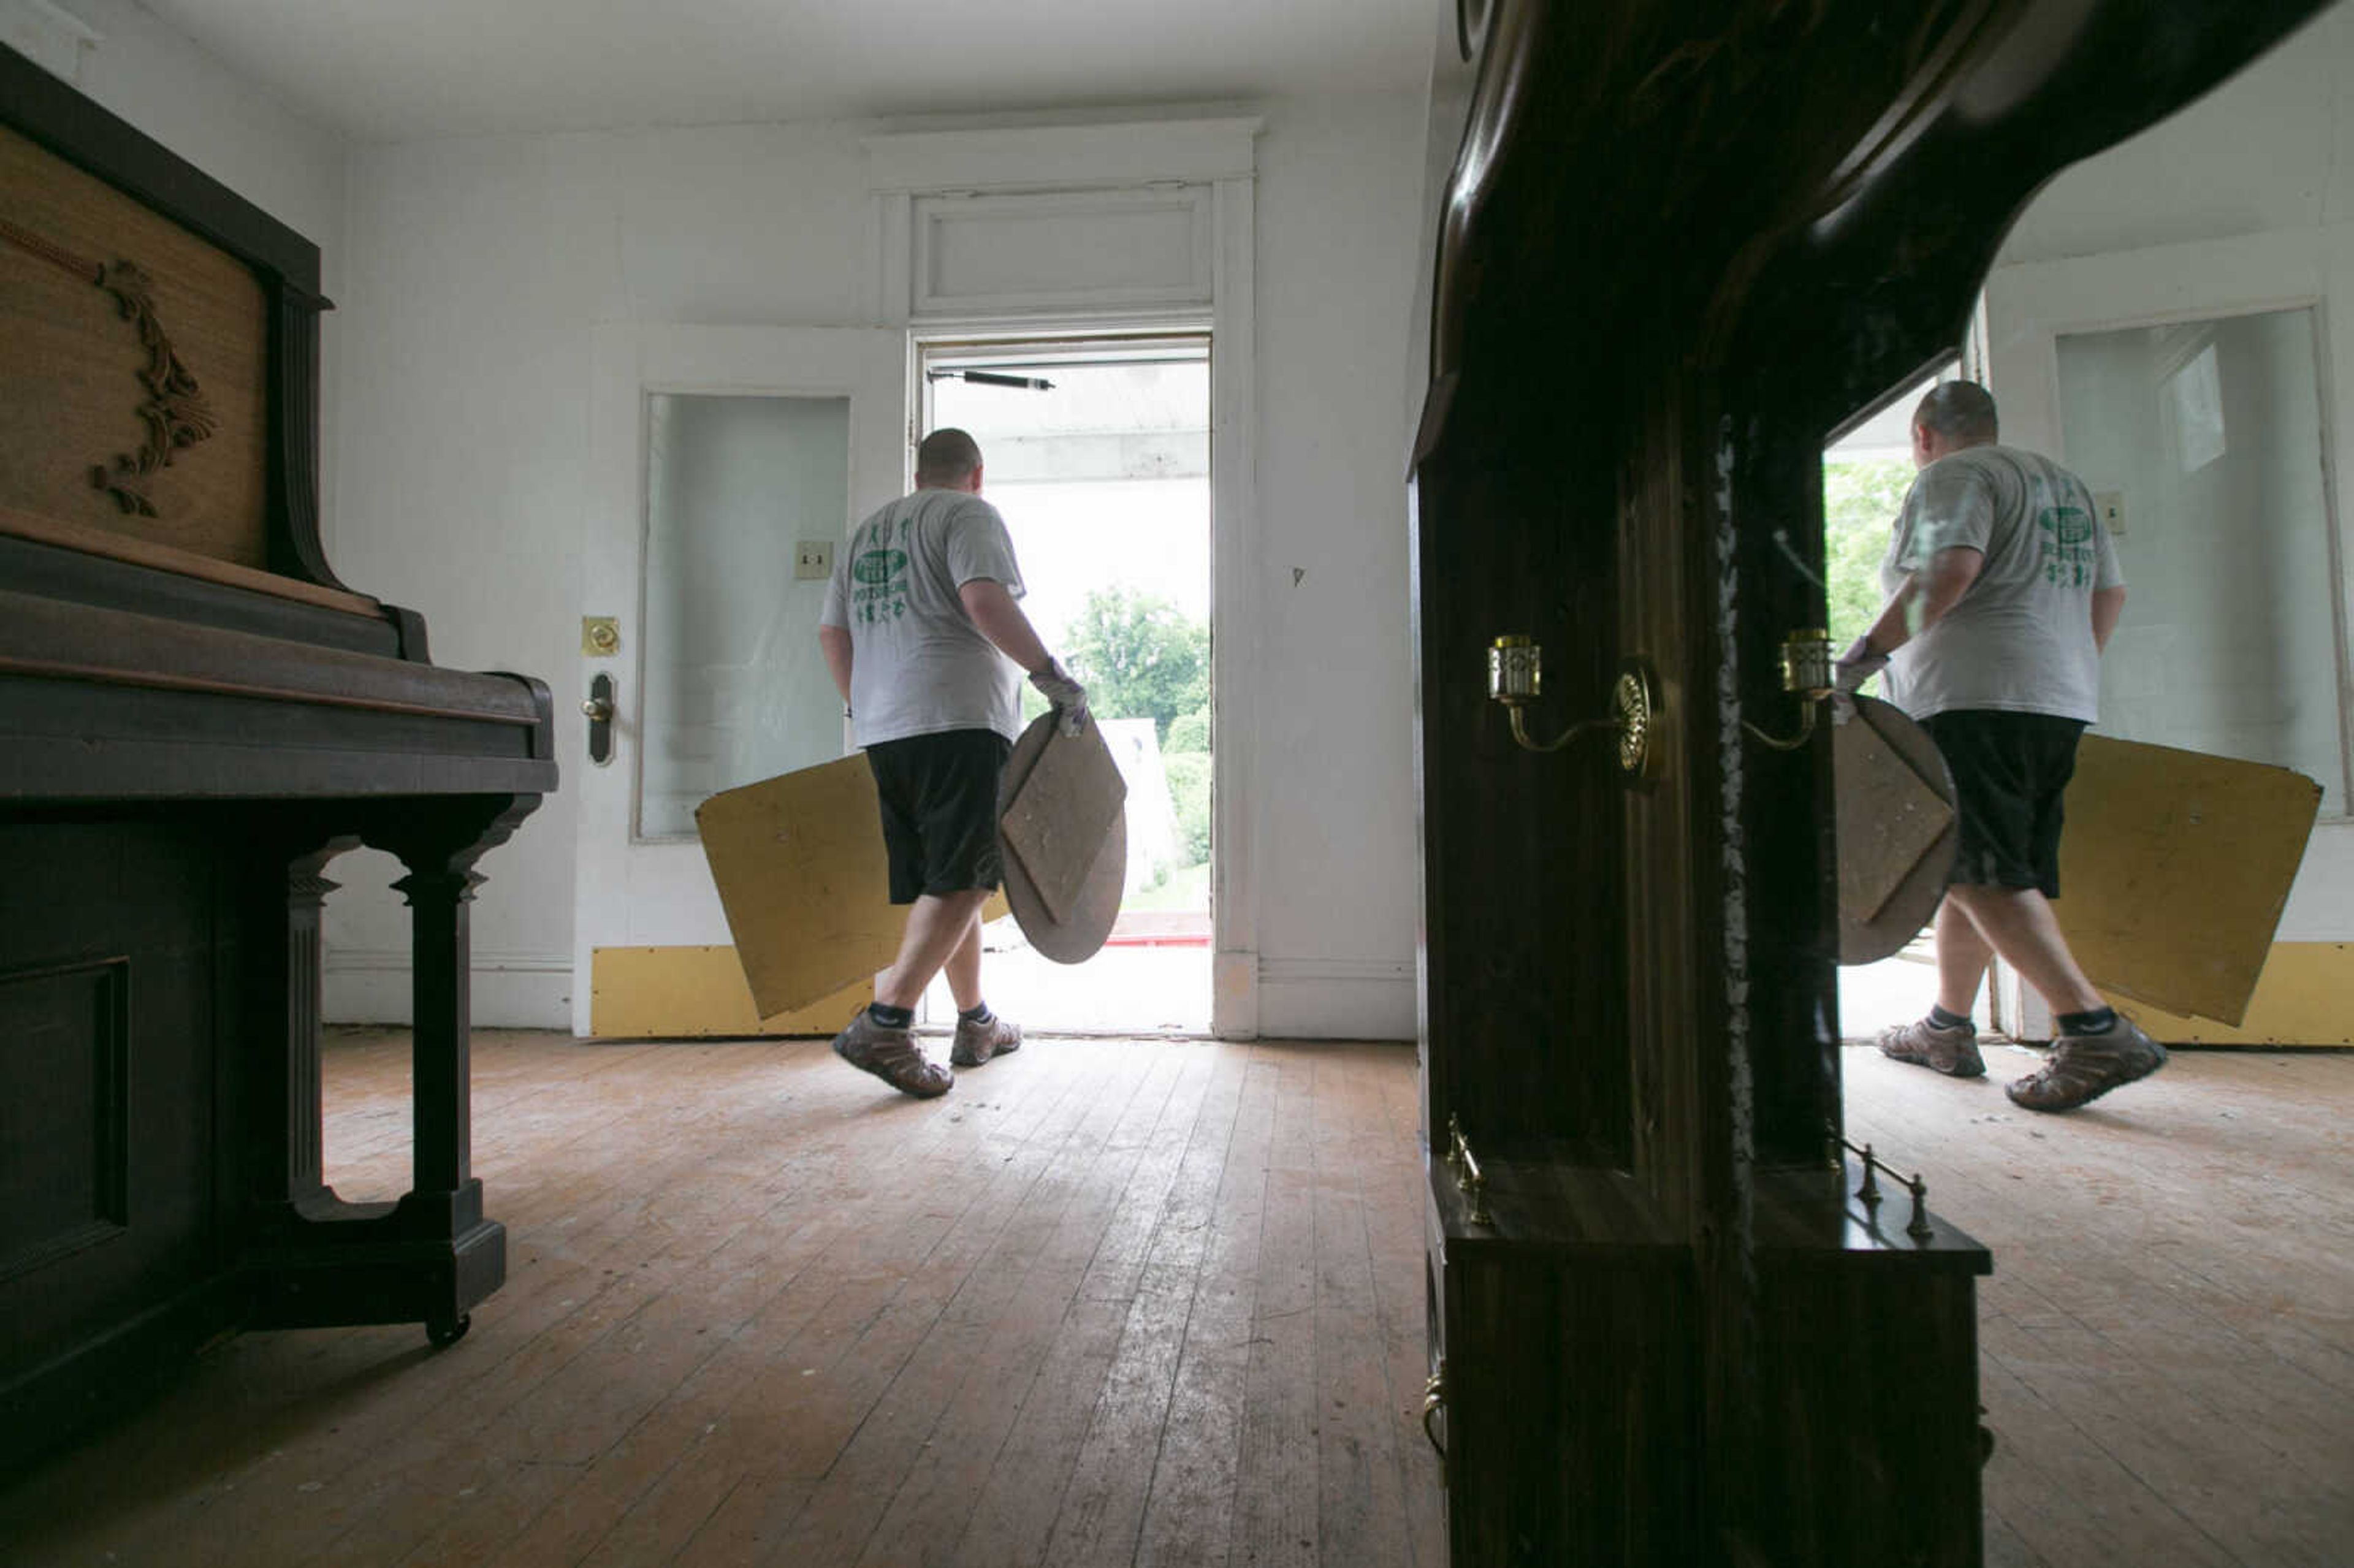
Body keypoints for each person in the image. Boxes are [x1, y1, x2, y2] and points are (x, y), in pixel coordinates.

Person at [1836, 380, 2164, 1113]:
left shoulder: (1954, 477)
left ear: (1924, 435)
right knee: (1977, 865)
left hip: (1974, 696)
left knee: (1980, 869)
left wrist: (1859, 660)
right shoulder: (2062, 487)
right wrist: (2061, 670)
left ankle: (2092, 1028)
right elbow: (2108, 596)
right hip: (2055, 698)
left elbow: (1947, 572)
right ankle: (1947, 1027)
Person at [816, 427, 1089, 1098]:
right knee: (965, 878)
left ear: (919, 472)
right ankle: (887, 1021)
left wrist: (869, 705)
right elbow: (983, 599)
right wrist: (1052, 676)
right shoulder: (968, 515)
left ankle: (976, 1022)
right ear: (977, 474)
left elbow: (832, 632)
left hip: (888, 729)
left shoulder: (869, 531)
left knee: (946, 879)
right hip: (958, 717)